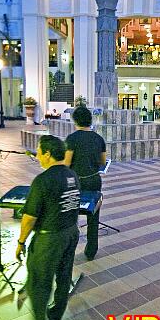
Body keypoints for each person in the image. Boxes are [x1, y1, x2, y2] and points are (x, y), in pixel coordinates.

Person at [15, 135, 81, 320]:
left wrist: (20, 242)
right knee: (63, 277)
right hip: (70, 233)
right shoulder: (72, 175)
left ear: (48, 154)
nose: (37, 155)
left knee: (38, 282)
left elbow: (29, 218)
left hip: (49, 239)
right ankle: (55, 317)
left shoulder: (42, 180)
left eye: (39, 151)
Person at [64, 106, 106, 260]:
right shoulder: (98, 138)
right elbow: (102, 162)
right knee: (93, 216)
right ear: (90, 120)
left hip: (76, 181)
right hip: (94, 179)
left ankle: (69, 248)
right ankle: (91, 250)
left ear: (75, 120)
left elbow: (66, 163)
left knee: (71, 214)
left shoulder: (72, 139)